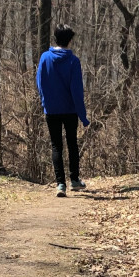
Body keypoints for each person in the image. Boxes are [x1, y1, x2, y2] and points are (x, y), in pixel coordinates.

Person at [36, 24, 90, 197]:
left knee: (56, 146)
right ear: (70, 40)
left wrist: (45, 102)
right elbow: (77, 90)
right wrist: (83, 115)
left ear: (56, 38)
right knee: (72, 143)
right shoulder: (73, 61)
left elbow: (40, 83)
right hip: (70, 109)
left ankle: (60, 184)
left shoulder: (45, 58)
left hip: (51, 109)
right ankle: (74, 180)